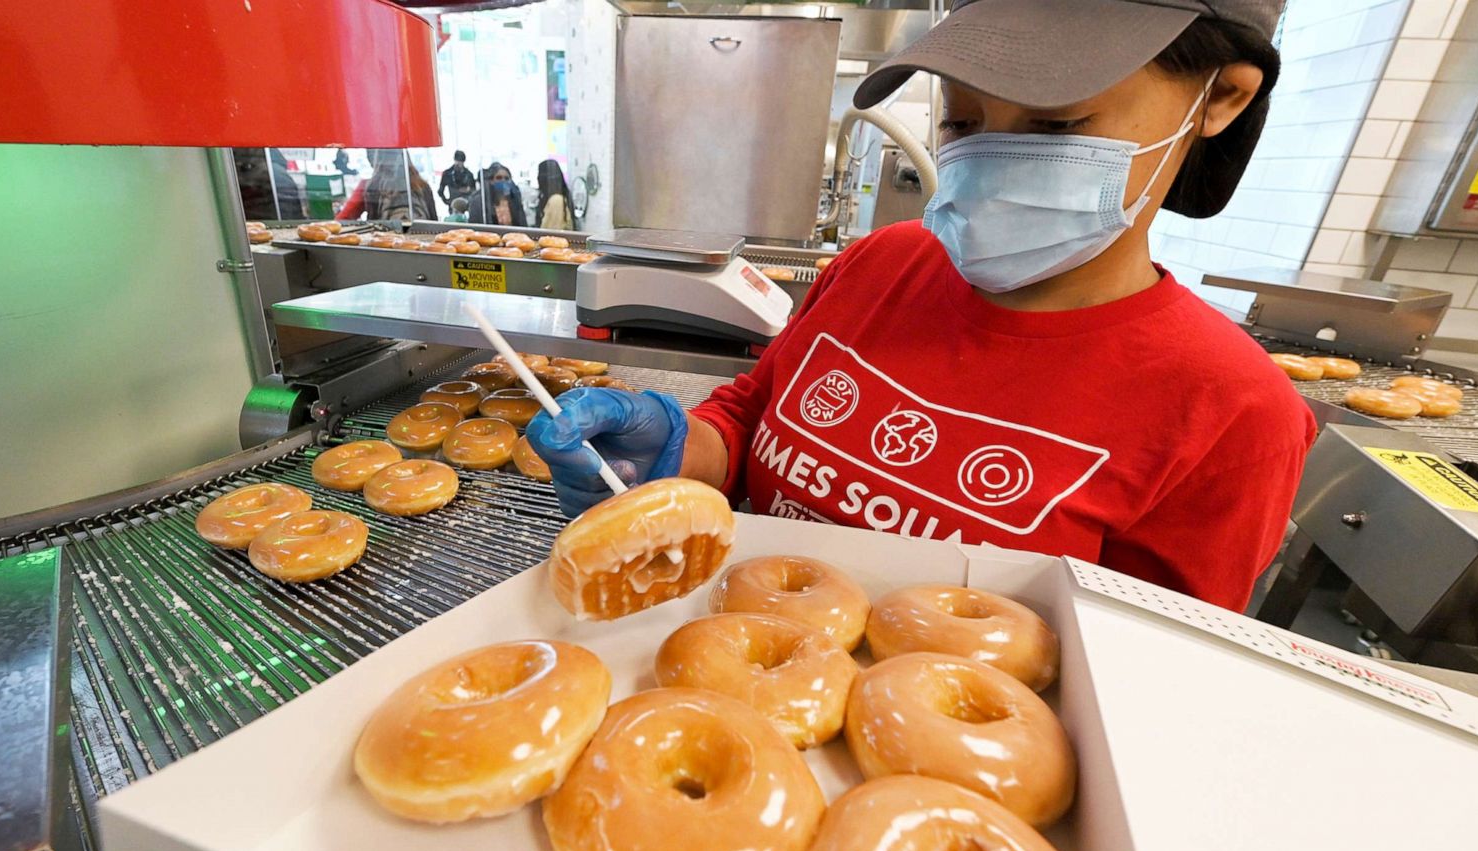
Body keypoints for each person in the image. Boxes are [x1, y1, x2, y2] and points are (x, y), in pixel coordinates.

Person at [528, 0, 1315, 614]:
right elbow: (753, 421)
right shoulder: (881, 264)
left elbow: (1147, 678)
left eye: (1057, 124)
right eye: (964, 121)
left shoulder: (1232, 414)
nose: (991, 156)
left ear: (1223, 97)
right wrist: (676, 453)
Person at [476, 163, 527, 227]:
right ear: (491, 181)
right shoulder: (481, 202)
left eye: (506, 178)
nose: (503, 181)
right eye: (499, 178)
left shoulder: (515, 201)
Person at [536, 159, 575, 230]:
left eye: (539, 174)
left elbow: (551, 233)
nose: (537, 178)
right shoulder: (553, 198)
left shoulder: (556, 200)